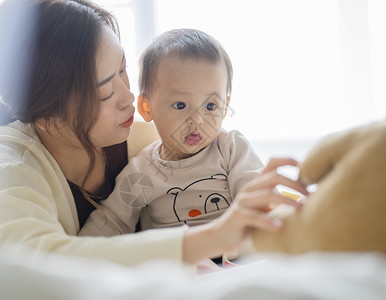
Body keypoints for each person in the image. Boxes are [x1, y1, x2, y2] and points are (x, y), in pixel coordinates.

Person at [0, 0, 307, 275]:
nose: (128, 98)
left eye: (123, 70)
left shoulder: (144, 140)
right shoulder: (3, 169)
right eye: (105, 93)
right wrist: (207, 239)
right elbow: (41, 265)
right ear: (46, 116)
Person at [79, 29, 264, 240]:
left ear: (225, 107)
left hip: (234, 253)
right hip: (179, 262)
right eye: (180, 105)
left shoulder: (231, 148)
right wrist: (77, 255)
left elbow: (256, 196)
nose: (198, 120)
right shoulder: (142, 171)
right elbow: (112, 220)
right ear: (146, 108)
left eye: (211, 105)